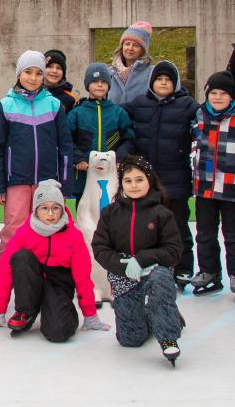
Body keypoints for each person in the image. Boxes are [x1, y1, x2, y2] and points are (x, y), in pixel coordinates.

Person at [0, 50, 75, 313]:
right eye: (28, 72)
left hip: (48, 183)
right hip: (17, 180)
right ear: (19, 75)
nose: (34, 77)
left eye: (38, 72)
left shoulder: (54, 105)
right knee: (12, 232)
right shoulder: (7, 105)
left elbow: (66, 146)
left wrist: (65, 184)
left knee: (49, 232)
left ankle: (48, 285)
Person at [0, 180, 109, 342]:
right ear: (36, 210)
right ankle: (26, 311)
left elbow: (82, 277)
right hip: (32, 281)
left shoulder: (74, 235)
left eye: (55, 207)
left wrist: (90, 315)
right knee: (20, 257)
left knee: (58, 332)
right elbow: (5, 268)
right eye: (44, 208)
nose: (51, 213)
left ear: (62, 208)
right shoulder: (25, 232)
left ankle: (63, 312)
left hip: (58, 284)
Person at [91, 155, 184, 365]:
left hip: (153, 269)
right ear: (121, 183)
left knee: (160, 281)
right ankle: (153, 317)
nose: (134, 185)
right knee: (130, 340)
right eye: (128, 180)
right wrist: (120, 265)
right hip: (124, 275)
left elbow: (173, 250)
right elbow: (100, 247)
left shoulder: (162, 213)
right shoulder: (110, 213)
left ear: (149, 181)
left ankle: (168, 336)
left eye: (139, 179)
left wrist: (143, 259)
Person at [123, 60, 198, 290]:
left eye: (168, 79)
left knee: (178, 225)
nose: (163, 83)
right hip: (148, 178)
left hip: (176, 176)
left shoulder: (187, 105)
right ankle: (151, 265)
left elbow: (208, 117)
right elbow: (117, 116)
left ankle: (183, 268)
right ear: (152, 82)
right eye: (159, 79)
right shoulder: (139, 103)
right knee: (147, 226)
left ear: (175, 83)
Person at [190, 71, 235, 297]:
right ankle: (209, 270)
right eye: (213, 93)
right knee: (205, 232)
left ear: (232, 97)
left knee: (233, 231)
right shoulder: (198, 115)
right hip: (204, 185)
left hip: (231, 186)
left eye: (222, 93)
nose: (217, 97)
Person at [69, 62, 134, 202]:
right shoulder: (77, 113)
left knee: (112, 209)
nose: (99, 85)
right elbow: (67, 140)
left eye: (104, 82)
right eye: (95, 81)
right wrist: (78, 158)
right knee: (85, 213)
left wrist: (121, 157)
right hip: (84, 175)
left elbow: (129, 138)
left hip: (111, 174)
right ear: (87, 85)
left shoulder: (118, 113)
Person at [108, 21, 155, 106]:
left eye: (136, 45)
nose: (130, 48)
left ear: (143, 50)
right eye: (127, 44)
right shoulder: (109, 72)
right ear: (122, 46)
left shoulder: (152, 73)